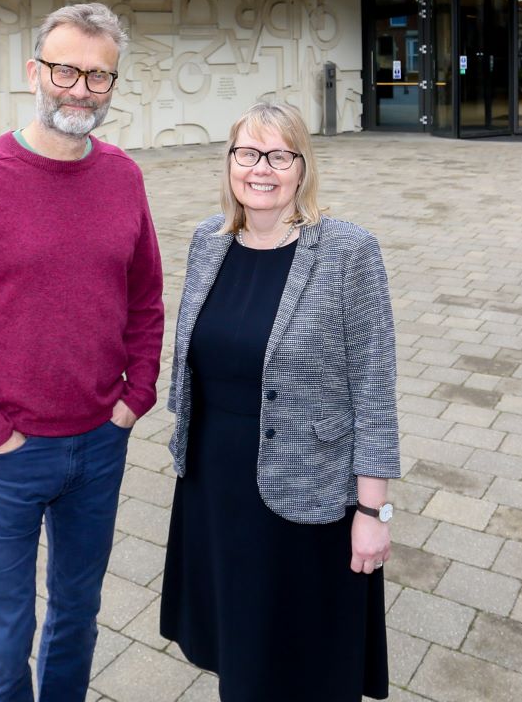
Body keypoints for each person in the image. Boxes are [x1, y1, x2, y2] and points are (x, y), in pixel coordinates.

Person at [0, 1, 165, 702]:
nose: (79, 89)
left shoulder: (123, 178)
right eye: (65, 70)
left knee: (78, 619)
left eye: (98, 76)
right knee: (2, 644)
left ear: (113, 85)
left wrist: (133, 397)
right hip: (8, 456)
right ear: (34, 71)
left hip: (99, 443)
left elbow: (146, 299)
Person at [160, 100, 399, 701]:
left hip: (307, 493)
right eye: (247, 153)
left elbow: (374, 387)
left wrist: (372, 514)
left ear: (301, 167)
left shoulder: (347, 251)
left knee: (303, 659)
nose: (260, 168)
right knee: (239, 649)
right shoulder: (206, 243)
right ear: (230, 163)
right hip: (216, 484)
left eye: (279, 155)